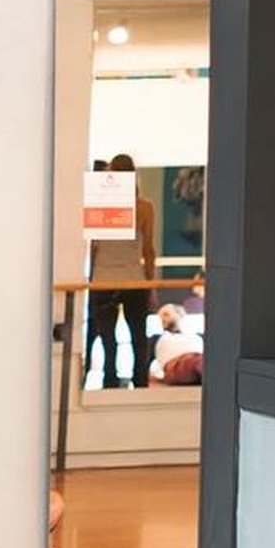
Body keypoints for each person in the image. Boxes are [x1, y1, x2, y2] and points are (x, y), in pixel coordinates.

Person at [87, 152, 158, 389]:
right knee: (139, 339)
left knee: (108, 341)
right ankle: (140, 386)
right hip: (133, 280)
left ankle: (109, 385)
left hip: (102, 280)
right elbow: (148, 250)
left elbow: (93, 248)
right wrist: (151, 285)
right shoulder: (144, 207)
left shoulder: (98, 205)